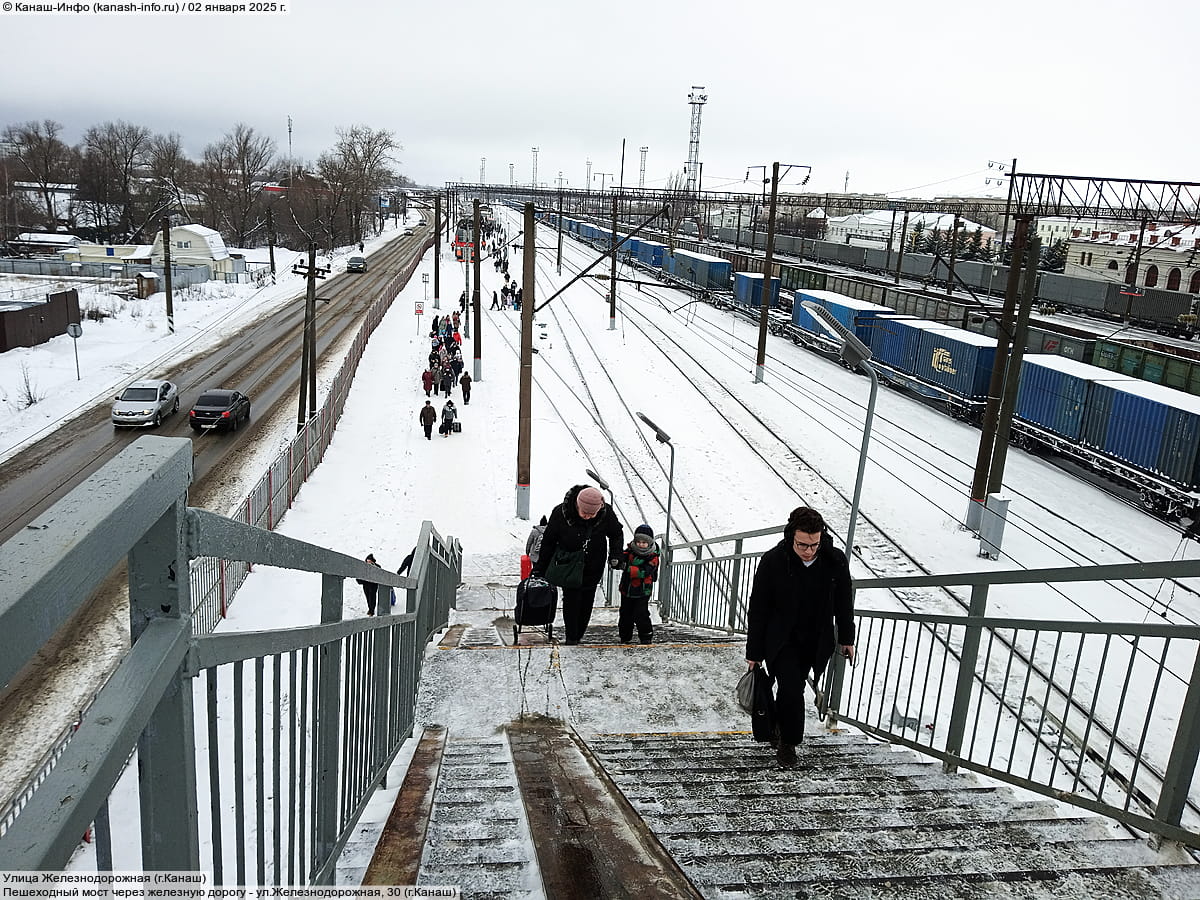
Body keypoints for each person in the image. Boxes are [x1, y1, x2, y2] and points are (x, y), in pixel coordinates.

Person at [745, 507, 855, 767]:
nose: (809, 551)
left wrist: (847, 638)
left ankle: (779, 729)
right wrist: (754, 653)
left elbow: (843, 602)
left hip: (815, 640)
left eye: (814, 544)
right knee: (791, 687)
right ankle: (788, 743)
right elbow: (758, 607)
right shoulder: (773, 561)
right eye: (802, 545)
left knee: (789, 690)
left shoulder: (834, 560)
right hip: (780, 639)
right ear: (790, 536)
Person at [532, 485, 624, 645]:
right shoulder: (561, 513)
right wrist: (540, 568)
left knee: (587, 601)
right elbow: (548, 542)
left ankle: (578, 634)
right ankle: (572, 637)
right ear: (577, 505)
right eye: (584, 513)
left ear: (599, 507)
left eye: (592, 514)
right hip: (569, 565)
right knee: (571, 600)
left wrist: (616, 555)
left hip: (593, 565)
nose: (588, 517)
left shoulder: (606, 513)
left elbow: (616, 533)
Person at [618, 525, 660, 645]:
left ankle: (646, 635)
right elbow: (622, 557)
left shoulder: (653, 557)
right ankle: (625, 636)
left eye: (644, 542)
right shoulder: (630, 551)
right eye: (638, 542)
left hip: (642, 590)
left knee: (640, 613)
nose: (641, 545)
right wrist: (617, 561)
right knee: (625, 613)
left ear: (649, 543)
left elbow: (645, 571)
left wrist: (627, 568)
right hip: (627, 589)